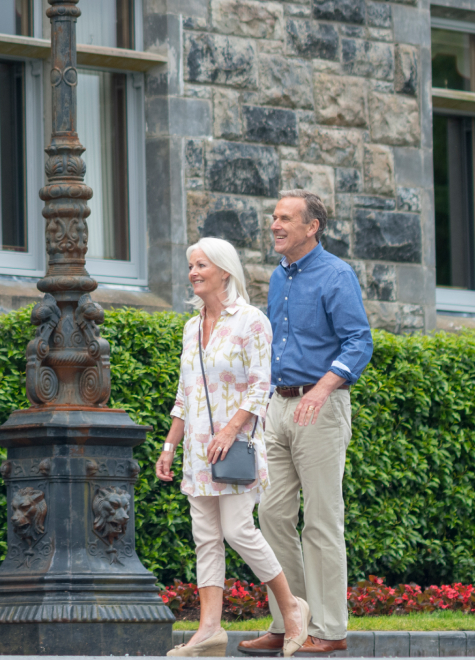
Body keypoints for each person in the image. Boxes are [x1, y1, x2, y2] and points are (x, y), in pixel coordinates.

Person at [156, 237, 309, 657]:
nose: (193, 273)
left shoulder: (251, 320)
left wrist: (231, 430)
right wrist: (170, 445)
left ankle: (292, 608)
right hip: (198, 451)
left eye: (201, 265)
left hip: (236, 445)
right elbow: (185, 393)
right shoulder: (191, 326)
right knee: (205, 536)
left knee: (239, 529)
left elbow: (263, 385)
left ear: (224, 271)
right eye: (191, 266)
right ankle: (209, 629)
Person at [236, 191, 372, 658]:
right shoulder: (278, 277)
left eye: (285, 218)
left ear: (312, 226)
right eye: (273, 216)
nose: (275, 224)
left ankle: (331, 629)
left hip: (321, 406)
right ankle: (290, 620)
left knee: (321, 519)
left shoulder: (336, 275)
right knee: (271, 515)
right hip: (279, 405)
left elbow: (359, 342)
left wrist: (321, 389)